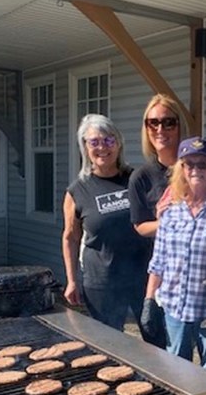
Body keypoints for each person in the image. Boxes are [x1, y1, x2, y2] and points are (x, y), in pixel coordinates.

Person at [144, 137, 206, 374]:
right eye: (189, 164)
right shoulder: (170, 211)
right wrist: (149, 300)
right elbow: (158, 261)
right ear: (180, 170)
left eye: (203, 164)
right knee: (176, 372)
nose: (195, 170)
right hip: (174, 307)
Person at [62, 114, 149, 331]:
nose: (103, 147)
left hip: (144, 277)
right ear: (85, 147)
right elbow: (71, 237)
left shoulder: (137, 179)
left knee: (156, 340)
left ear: (119, 144)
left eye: (109, 140)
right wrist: (72, 280)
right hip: (102, 282)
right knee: (110, 344)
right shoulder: (77, 190)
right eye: (94, 142)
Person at [129, 93, 191, 346]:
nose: (160, 129)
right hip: (167, 276)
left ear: (179, 125)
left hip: (204, 271)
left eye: (168, 122)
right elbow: (140, 226)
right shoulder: (141, 177)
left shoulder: (202, 162)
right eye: (152, 123)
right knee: (170, 352)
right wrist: (169, 221)